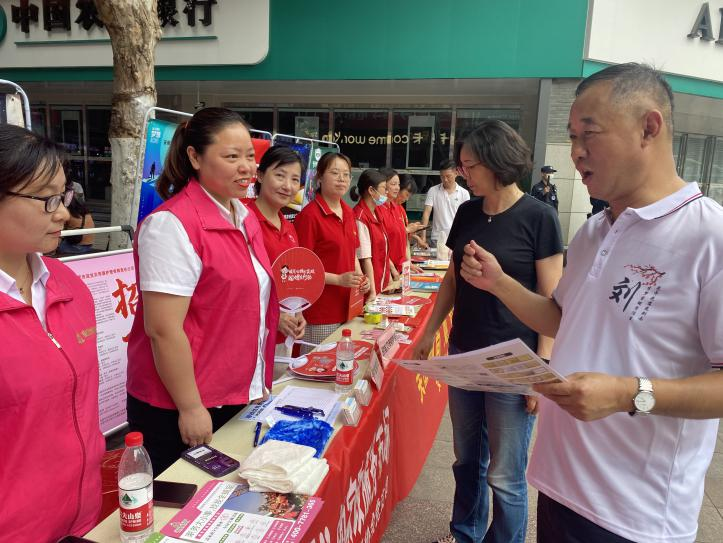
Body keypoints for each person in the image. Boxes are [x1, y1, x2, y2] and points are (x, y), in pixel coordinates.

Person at [460, 63, 723, 543]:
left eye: (589, 134)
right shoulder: (594, 230)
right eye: (571, 136)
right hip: (561, 487)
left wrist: (627, 393)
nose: (576, 152)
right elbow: (563, 318)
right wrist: (499, 283)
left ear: (649, 127)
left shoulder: (710, 237)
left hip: (637, 517)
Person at [413, 120, 563, 543]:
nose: (463, 175)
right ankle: (466, 533)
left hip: (515, 361)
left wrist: (543, 370)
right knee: (466, 459)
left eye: (469, 165)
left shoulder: (539, 217)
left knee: (505, 473)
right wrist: (430, 333)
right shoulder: (467, 212)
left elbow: (553, 302)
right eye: (461, 166)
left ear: (497, 162)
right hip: (465, 352)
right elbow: (452, 280)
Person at [125, 107, 279, 474]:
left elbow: (237, 298)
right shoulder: (171, 225)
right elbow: (163, 330)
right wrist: (191, 406)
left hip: (233, 390)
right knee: (180, 515)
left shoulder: (243, 217)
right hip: (180, 404)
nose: (247, 167)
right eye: (231, 157)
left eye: (249, 156)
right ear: (194, 157)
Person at [0, 124, 104, 542]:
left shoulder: (68, 284)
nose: (63, 212)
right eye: (47, 199)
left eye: (64, 195)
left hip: (83, 518)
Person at [294, 152, 369, 351]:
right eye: (335, 173)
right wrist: (338, 280)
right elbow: (300, 269)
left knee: (342, 368)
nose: (341, 179)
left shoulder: (348, 212)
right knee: (318, 369)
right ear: (319, 177)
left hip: (349, 307)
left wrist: (361, 278)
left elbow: (352, 252)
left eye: (346, 174)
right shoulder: (309, 217)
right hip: (321, 312)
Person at [246, 145, 306, 354]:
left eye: (295, 179)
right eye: (280, 175)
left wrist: (298, 312)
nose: (287, 186)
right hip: (250, 335)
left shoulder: (289, 227)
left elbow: (292, 280)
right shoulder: (242, 220)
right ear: (260, 175)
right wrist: (272, 315)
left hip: (283, 336)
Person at [351, 169, 396, 300]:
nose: (386, 192)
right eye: (383, 188)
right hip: (370, 289)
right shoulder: (360, 217)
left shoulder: (377, 212)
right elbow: (365, 258)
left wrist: (389, 278)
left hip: (381, 282)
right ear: (371, 190)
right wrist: (372, 292)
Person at [420, 159, 470, 250]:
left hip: (456, 238)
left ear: (456, 173)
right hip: (437, 238)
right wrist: (423, 236)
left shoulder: (464, 193)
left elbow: (467, 218)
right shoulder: (433, 191)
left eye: (448, 176)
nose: (445, 180)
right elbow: (426, 214)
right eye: (442, 177)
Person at [380, 168, 424, 270]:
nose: (406, 199)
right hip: (389, 268)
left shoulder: (397, 208)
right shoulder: (378, 208)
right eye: (393, 184)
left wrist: (408, 264)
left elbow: (404, 241)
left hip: (398, 266)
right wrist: (407, 230)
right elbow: (382, 243)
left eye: (398, 185)